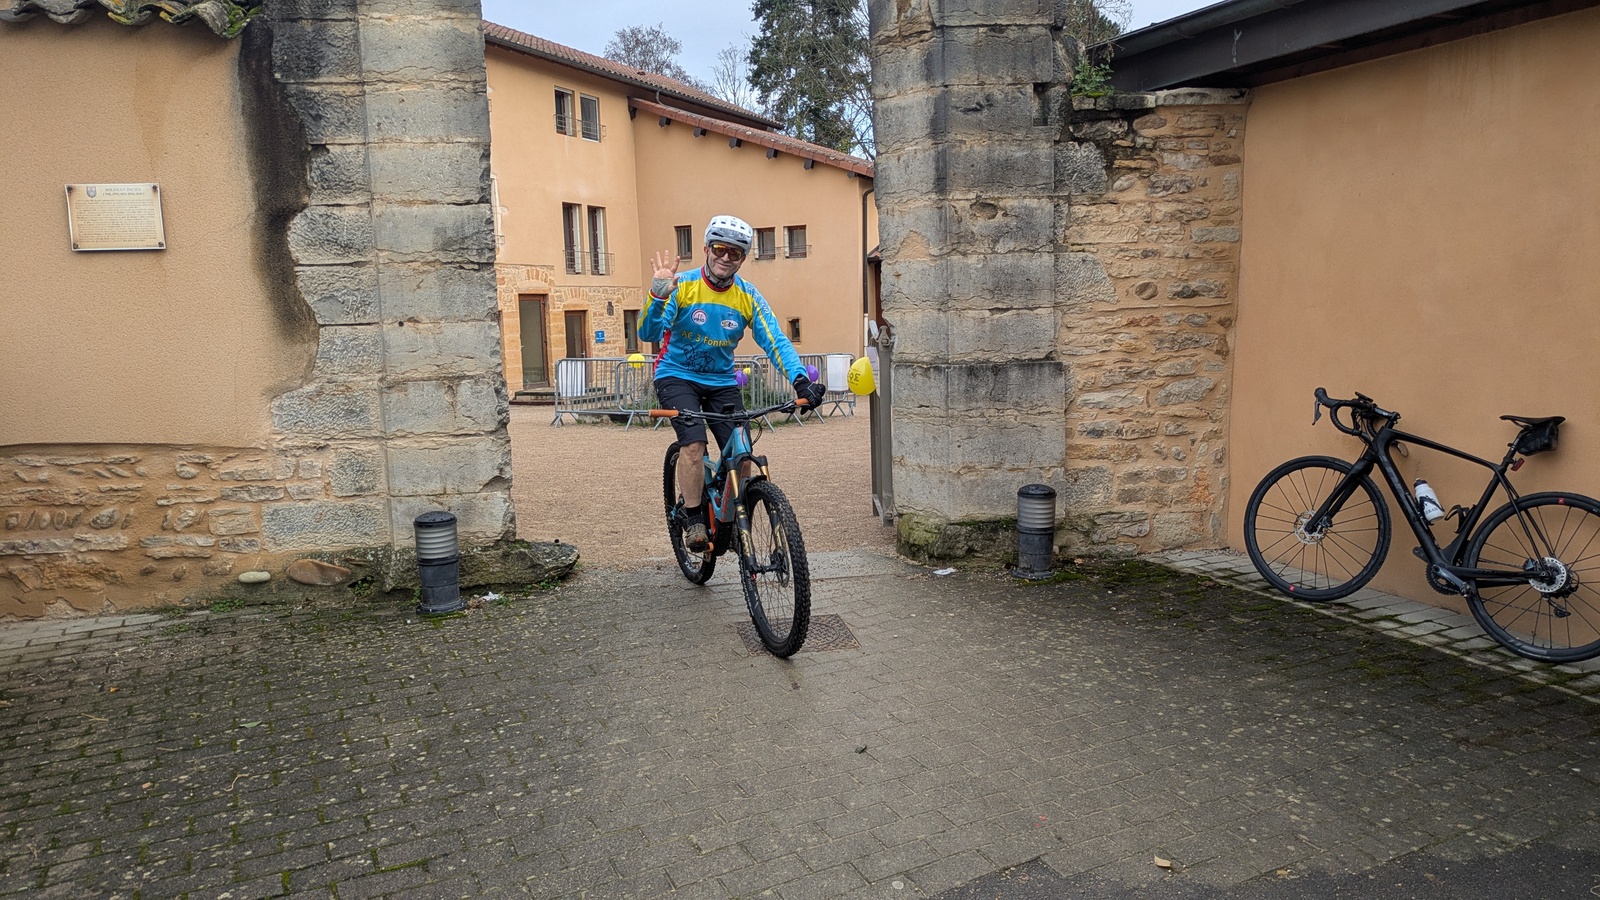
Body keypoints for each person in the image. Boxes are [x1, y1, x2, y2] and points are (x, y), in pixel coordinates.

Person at [641, 214, 826, 552]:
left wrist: (801, 381)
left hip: (722, 381)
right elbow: (648, 332)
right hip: (676, 375)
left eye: (735, 252)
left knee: (742, 457)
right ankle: (694, 517)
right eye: (719, 248)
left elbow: (775, 340)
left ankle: (734, 526)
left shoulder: (746, 295)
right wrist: (657, 296)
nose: (725, 257)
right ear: (706, 249)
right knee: (693, 446)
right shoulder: (682, 286)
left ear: (742, 259)